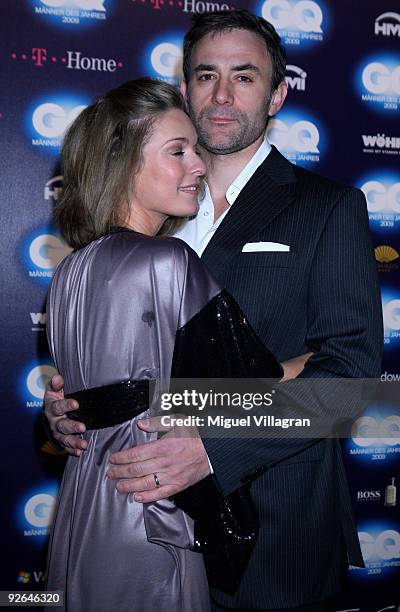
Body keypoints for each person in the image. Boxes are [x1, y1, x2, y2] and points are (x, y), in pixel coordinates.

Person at [45, 10, 383, 612]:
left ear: (277, 94)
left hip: (273, 542)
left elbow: (351, 382)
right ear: (184, 88)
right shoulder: (150, 211)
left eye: (245, 77)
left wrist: (211, 444)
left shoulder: (329, 208)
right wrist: (77, 406)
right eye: (206, 75)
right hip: (146, 531)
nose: (222, 94)